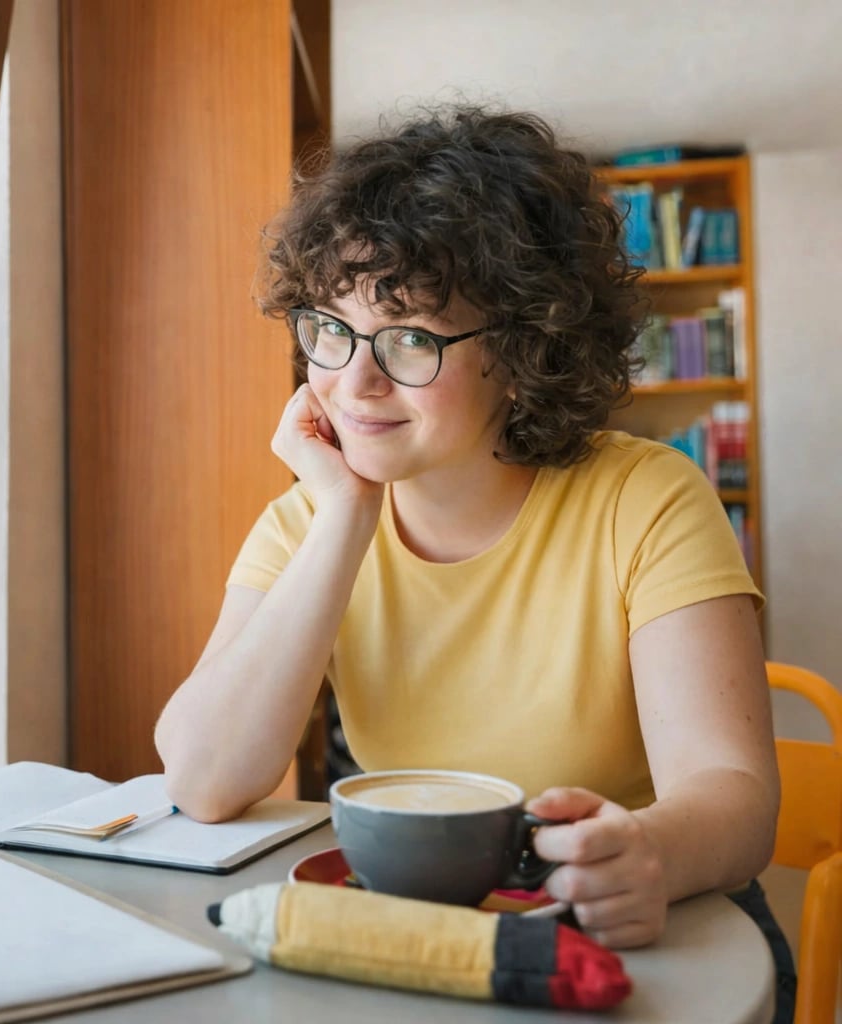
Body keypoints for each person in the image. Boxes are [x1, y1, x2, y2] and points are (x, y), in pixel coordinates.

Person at [155, 105, 794, 1018]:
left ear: (525, 348)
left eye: (411, 336)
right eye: (327, 328)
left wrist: (646, 851)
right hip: (429, 934)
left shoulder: (647, 499)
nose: (353, 381)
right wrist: (343, 512)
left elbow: (734, 798)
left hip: (638, 926)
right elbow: (205, 780)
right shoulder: (307, 518)